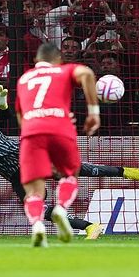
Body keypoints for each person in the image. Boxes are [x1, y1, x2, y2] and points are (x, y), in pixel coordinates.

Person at [0, 85, 139, 241]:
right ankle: (91, 227)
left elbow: (1, 115)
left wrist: (3, 107)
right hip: (16, 175)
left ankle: (122, 171)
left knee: (76, 169)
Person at [15, 42, 100, 247]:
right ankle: (61, 208)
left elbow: (20, 114)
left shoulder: (24, 79)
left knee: (34, 192)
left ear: (36, 61)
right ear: (59, 60)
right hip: (60, 127)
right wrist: (93, 113)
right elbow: (87, 74)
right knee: (70, 174)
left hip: (31, 132)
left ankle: (37, 226)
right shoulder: (64, 70)